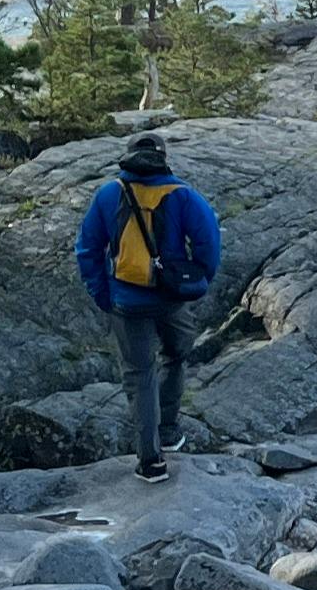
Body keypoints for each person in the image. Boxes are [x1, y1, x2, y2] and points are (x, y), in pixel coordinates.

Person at [75, 132, 221, 484]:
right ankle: (169, 430)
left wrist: (103, 295)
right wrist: (193, 282)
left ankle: (151, 461)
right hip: (171, 299)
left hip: (126, 302)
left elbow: (87, 249)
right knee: (175, 354)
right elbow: (209, 245)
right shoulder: (183, 195)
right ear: (163, 158)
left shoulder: (109, 193)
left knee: (140, 376)